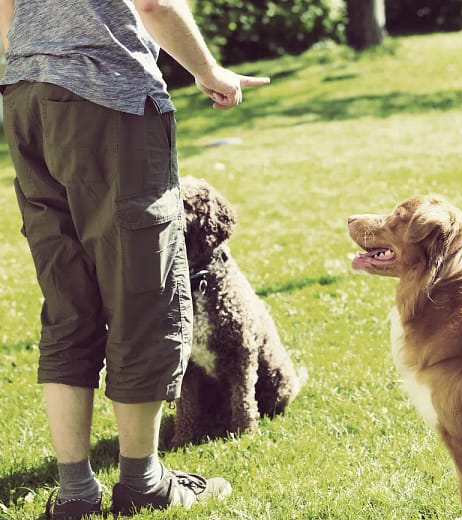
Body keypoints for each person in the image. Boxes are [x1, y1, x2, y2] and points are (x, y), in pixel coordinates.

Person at [0, 1, 270, 518]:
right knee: (143, 292)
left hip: (26, 96)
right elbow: (154, 4)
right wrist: (209, 71)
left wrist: (36, 61)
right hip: (106, 101)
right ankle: (143, 483)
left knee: (67, 298)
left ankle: (75, 493)